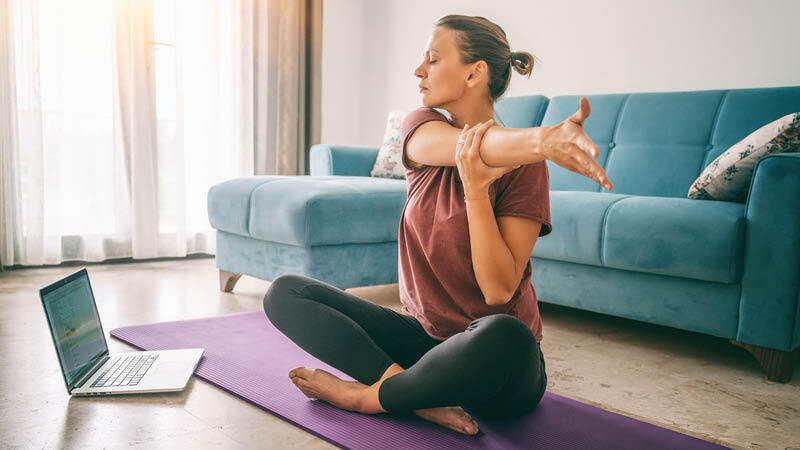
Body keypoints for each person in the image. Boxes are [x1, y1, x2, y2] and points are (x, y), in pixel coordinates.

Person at [263, 14, 613, 436]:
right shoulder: (421, 126)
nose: (418, 71)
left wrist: (478, 193)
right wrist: (542, 140)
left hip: (495, 364)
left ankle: (368, 397)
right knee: (286, 292)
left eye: (432, 59)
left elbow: (498, 290)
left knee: (505, 333)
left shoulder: (525, 170)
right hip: (424, 343)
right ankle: (408, 392)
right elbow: (474, 146)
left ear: (474, 72)